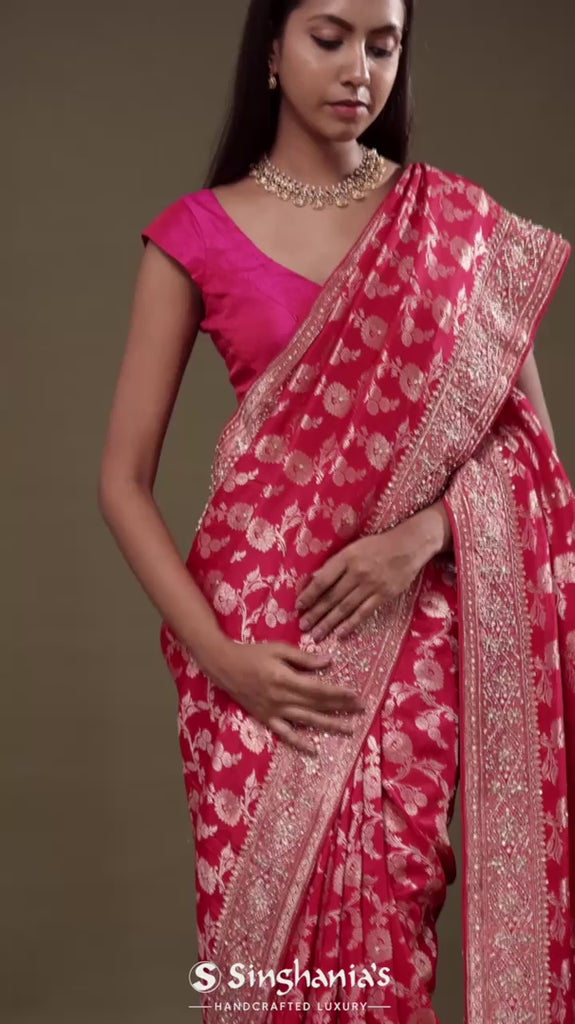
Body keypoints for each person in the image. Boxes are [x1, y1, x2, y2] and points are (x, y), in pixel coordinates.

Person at [98, 0, 575, 1021]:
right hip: (253, 653)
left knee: (386, 950)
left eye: (383, 43)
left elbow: (533, 461)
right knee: (259, 970)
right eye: (329, 37)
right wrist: (223, 660)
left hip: (404, 647)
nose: (358, 67)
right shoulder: (193, 233)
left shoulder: (455, 230)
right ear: (272, 52)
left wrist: (420, 537)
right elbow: (121, 481)